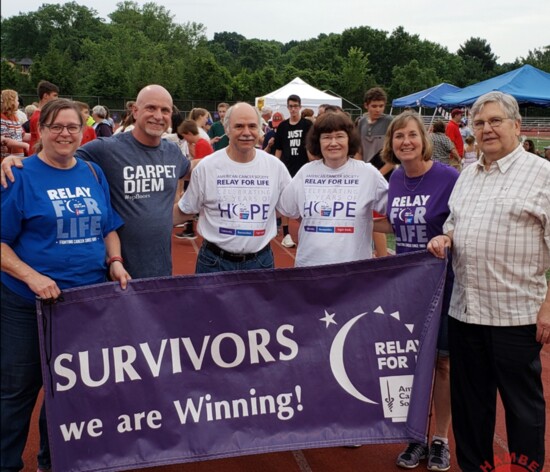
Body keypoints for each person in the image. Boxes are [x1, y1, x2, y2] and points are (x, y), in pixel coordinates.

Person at [0, 98, 130, 472]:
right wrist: (32, 276)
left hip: (83, 305)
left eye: (73, 127)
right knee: (16, 392)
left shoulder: (92, 174)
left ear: (82, 131)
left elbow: (108, 228)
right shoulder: (19, 174)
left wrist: (116, 262)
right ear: (41, 130)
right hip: (26, 304)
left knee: (68, 393)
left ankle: (52, 462)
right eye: (56, 126)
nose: (65, 134)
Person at [427, 91, 550, 472]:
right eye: (479, 123)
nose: (486, 129)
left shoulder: (542, 175)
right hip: (466, 312)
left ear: (516, 126)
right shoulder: (468, 176)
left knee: (522, 408)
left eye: (495, 121)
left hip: (516, 314)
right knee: (470, 407)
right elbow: (454, 225)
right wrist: (445, 238)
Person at [2, 85, 191, 279]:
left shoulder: (172, 152)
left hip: (160, 270)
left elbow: (194, 170)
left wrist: (224, 154)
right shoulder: (106, 149)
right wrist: (20, 162)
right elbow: (59, 154)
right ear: (135, 111)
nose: (158, 116)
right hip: (114, 274)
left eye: (165, 110)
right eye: (151, 108)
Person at [374, 111, 459, 472]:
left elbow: (462, 226)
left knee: (442, 363)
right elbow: (390, 222)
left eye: (411, 135)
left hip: (444, 283)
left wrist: (447, 239)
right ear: (390, 144)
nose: (405, 142)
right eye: (398, 137)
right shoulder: (394, 178)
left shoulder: (448, 178)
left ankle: (439, 438)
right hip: (407, 287)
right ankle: (414, 435)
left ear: (422, 139)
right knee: (408, 362)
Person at [173, 102, 291, 273]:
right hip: (213, 263)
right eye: (239, 126)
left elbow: (290, 208)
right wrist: (142, 223)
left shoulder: (275, 167)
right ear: (226, 129)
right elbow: (185, 210)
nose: (246, 132)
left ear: (259, 129)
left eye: (252, 126)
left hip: (260, 263)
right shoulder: (207, 167)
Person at [278, 111, 388, 267]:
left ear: (350, 139)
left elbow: (394, 213)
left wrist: (363, 222)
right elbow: (287, 208)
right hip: (310, 269)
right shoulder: (306, 172)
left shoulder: (368, 174)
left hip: (353, 271)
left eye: (340, 136)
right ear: (318, 142)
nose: (333, 142)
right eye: (327, 137)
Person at [357, 86, 394, 257]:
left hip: (384, 173)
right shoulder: (361, 122)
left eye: (381, 105)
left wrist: (376, 175)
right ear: (366, 105)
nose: (378, 109)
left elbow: (393, 158)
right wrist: (359, 169)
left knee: (377, 217)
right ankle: (369, 252)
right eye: (374, 106)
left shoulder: (389, 122)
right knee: (363, 212)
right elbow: (358, 149)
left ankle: (382, 256)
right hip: (366, 172)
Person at [274, 94, 313, 248]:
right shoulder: (283, 126)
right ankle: (286, 234)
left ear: (300, 106)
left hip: (303, 168)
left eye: (296, 106)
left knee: (304, 201)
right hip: (286, 168)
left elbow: (310, 147)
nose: (293, 109)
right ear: (287, 107)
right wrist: (276, 167)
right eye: (290, 106)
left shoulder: (307, 125)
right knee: (285, 200)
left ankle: (307, 231)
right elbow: (279, 148)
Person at [174, 119, 214, 240]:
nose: (185, 139)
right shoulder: (200, 143)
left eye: (185, 136)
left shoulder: (201, 144)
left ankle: (190, 229)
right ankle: (189, 229)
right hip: (203, 179)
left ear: (189, 133)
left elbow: (199, 166)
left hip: (203, 181)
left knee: (190, 202)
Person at [28, 80, 59, 154]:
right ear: (45, 96)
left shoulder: (41, 114)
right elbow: (42, 141)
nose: (57, 98)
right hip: (38, 155)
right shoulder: (39, 116)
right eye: (55, 95)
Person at [1, 90, 30, 159]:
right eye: (17, 100)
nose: (18, 103)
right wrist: (24, 145)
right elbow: (3, 140)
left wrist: (39, 135)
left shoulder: (15, 118)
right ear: (11, 102)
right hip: (7, 159)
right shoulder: (2, 118)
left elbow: (22, 135)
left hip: (17, 157)